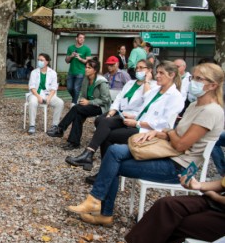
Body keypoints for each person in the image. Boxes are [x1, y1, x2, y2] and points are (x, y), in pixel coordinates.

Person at [66, 62, 224, 227]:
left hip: (177, 166)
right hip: (167, 152)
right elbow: (175, 134)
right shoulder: (195, 105)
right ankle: (96, 201)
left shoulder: (210, 111)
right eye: (193, 77)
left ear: (212, 85)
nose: (192, 82)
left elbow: (180, 145)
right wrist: (157, 132)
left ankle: (103, 210)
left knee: (112, 162)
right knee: (113, 150)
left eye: (198, 79)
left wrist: (167, 132)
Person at [65, 60, 155, 172]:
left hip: (133, 117)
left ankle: (89, 153)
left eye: (142, 68)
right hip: (120, 113)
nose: (138, 70)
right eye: (137, 68)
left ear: (149, 70)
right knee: (99, 120)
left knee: (105, 125)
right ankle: (91, 157)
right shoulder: (130, 83)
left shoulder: (153, 86)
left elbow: (148, 105)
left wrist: (146, 82)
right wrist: (112, 111)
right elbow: (119, 98)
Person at [125, 175, 225, 243]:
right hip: (216, 201)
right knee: (166, 205)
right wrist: (199, 185)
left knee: (181, 224)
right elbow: (222, 183)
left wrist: (216, 197)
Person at [48, 58, 110, 149]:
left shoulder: (102, 82)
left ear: (95, 70)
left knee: (76, 108)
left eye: (89, 68)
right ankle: (74, 143)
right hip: (88, 105)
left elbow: (106, 100)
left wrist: (89, 102)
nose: (86, 69)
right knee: (78, 115)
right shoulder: (86, 79)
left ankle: (60, 129)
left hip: (101, 107)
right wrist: (82, 101)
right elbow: (83, 95)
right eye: (86, 67)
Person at [27, 53, 65, 135]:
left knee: (60, 103)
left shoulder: (53, 73)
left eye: (41, 60)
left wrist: (49, 98)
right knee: (33, 102)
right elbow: (32, 87)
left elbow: (54, 88)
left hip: (48, 94)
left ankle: (55, 125)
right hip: (35, 94)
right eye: (38, 60)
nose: (39, 61)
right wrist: (38, 97)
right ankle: (32, 125)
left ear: (47, 62)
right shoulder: (34, 72)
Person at [65, 33, 92, 104]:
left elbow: (88, 62)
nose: (82, 39)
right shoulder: (70, 48)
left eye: (83, 38)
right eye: (80, 37)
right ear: (76, 38)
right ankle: (76, 98)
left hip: (81, 72)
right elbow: (67, 61)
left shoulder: (87, 49)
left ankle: (74, 103)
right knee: (69, 88)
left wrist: (80, 59)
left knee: (76, 89)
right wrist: (71, 56)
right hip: (71, 71)